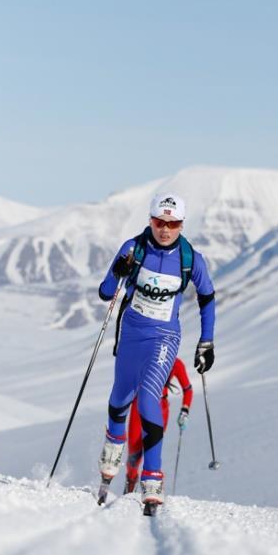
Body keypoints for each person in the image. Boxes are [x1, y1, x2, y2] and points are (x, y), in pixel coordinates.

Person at [97, 191, 215, 510]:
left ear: (181, 224)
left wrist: (207, 341)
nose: (165, 229)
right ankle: (111, 460)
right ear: (149, 220)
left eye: (173, 223)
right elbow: (106, 292)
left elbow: (207, 298)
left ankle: (152, 477)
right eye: (159, 221)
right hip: (131, 334)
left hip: (164, 336)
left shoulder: (191, 260)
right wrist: (119, 272)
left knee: (149, 397)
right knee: (119, 400)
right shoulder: (133, 249)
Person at [123, 356, 193, 494]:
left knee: (152, 449)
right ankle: (130, 486)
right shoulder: (143, 356)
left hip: (161, 407)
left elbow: (188, 389)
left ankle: (152, 491)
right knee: (134, 453)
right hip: (139, 405)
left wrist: (184, 410)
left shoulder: (176, 363)